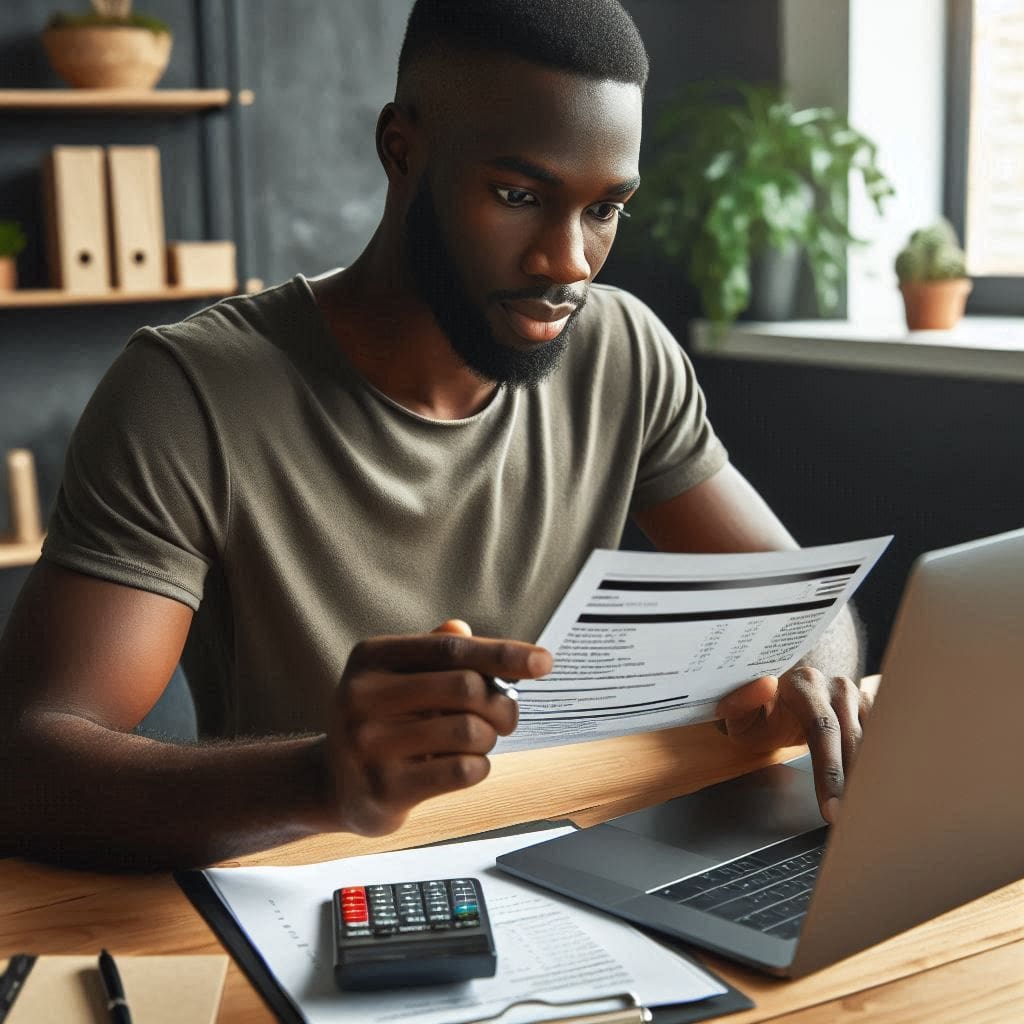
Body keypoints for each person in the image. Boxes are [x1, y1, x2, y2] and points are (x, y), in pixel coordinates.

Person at [0, 0, 866, 870]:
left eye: (605, 209)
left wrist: (818, 673)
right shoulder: (187, 393)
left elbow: (805, 604)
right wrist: (320, 780)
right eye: (520, 195)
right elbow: (29, 766)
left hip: (583, 866)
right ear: (402, 150)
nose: (567, 262)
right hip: (315, 897)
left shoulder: (622, 349)